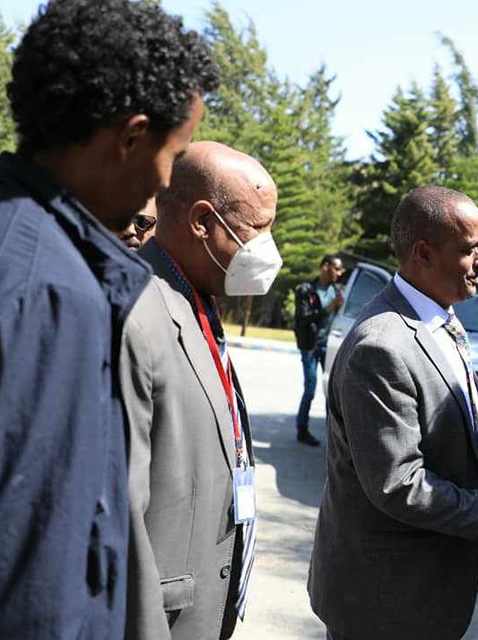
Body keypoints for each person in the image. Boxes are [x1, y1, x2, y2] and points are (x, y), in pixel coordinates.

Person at [0, 1, 218, 637]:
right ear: (130, 137)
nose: (166, 180)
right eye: (172, 155)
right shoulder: (45, 291)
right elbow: (19, 576)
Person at [308, 185, 478, 640]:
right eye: (470, 249)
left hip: (422, 597)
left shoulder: (438, 321)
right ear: (423, 254)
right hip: (386, 606)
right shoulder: (382, 346)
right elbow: (400, 485)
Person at [121, 141, 281, 639]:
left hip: (202, 608)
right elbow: (118, 512)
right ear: (201, 221)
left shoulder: (197, 299)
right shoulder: (131, 310)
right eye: (257, 229)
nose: (268, 248)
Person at [293, 254, 345, 445]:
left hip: (329, 345)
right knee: (311, 389)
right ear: (325, 267)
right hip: (310, 345)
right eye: (337, 269)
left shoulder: (337, 291)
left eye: (341, 270)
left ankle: (332, 436)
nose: (339, 273)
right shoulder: (306, 290)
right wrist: (328, 309)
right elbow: (303, 317)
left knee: (331, 392)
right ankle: (302, 430)